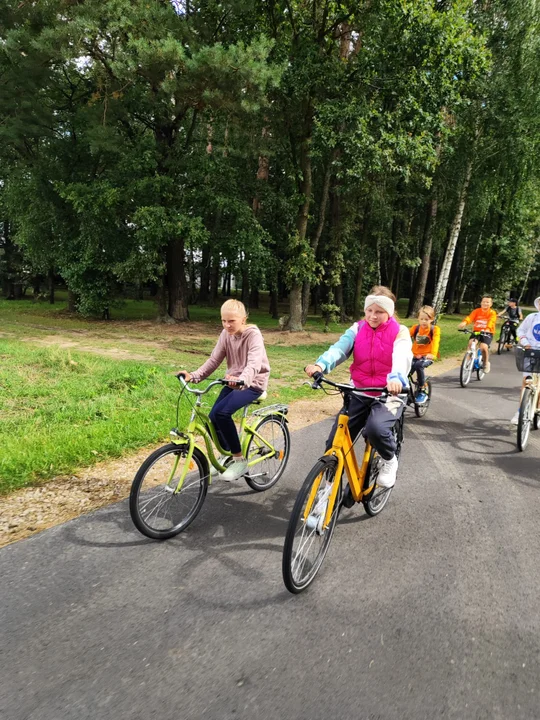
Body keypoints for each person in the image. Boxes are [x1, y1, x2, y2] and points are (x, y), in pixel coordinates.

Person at [305, 286, 412, 491]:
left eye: (379, 312)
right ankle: (327, 489)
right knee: (335, 441)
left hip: (390, 392)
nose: (372, 316)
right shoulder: (357, 328)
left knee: (376, 429)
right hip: (360, 390)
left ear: (388, 312)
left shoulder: (400, 331)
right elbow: (339, 348)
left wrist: (396, 377)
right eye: (369, 310)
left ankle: (389, 459)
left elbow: (402, 356)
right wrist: (320, 365)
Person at [177, 299, 270, 481]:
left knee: (222, 414)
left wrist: (243, 380)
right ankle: (226, 453)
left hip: (253, 383)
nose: (227, 325)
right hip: (233, 382)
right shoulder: (225, 334)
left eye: (232, 321)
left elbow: (254, 363)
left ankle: (239, 460)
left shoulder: (253, 335)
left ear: (243, 319)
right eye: (223, 321)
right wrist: (193, 376)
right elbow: (214, 360)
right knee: (212, 418)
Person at [510, 297, 540, 425]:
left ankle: (537, 409)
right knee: (526, 382)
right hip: (531, 352)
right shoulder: (532, 317)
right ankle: (520, 412)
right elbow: (520, 330)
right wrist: (525, 343)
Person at [457, 295, 497, 373]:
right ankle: (467, 362)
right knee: (471, 343)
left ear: (491, 304)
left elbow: (491, 321)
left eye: (487, 302)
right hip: (477, 331)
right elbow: (470, 317)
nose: (485, 303)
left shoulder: (492, 313)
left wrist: (488, 329)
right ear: (481, 303)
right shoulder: (476, 311)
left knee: (483, 347)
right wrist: (465, 322)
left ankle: (485, 363)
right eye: (483, 302)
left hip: (487, 332)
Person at [409, 305, 441, 404]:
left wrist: (433, 354)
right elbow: (404, 337)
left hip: (427, 356)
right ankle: (405, 393)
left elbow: (436, 342)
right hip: (414, 355)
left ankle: (422, 390)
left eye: (426, 319)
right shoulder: (415, 328)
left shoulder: (434, 329)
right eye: (421, 319)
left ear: (431, 319)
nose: (423, 321)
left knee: (419, 365)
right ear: (418, 318)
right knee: (405, 371)